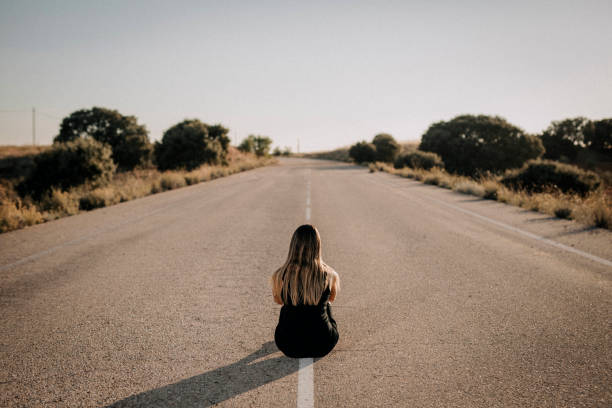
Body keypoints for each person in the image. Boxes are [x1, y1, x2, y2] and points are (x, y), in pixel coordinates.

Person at [271, 224, 340, 358]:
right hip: (323, 344)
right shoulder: (330, 274)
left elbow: (279, 301)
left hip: (288, 345)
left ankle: (292, 331)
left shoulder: (280, 275)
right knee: (326, 305)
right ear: (317, 246)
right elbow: (331, 299)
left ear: (293, 246)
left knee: (286, 307)